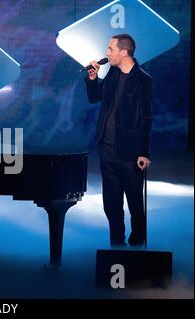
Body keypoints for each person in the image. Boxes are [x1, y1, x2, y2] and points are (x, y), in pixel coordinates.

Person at [84, 34, 153, 246]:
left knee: (134, 199)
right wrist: (93, 79)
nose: (107, 53)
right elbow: (95, 98)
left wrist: (143, 152)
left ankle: (138, 235)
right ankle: (116, 238)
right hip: (107, 146)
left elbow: (145, 118)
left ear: (124, 52)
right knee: (111, 201)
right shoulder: (112, 74)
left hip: (130, 150)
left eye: (110, 49)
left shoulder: (143, 80)